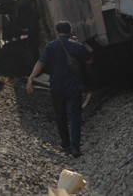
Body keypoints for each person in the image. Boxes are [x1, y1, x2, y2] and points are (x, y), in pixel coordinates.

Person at [26, 21, 92, 158]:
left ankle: (65, 144)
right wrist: (79, 43)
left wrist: (31, 78)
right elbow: (89, 60)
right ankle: (75, 148)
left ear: (56, 32)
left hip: (57, 87)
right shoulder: (77, 45)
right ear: (70, 31)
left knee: (60, 116)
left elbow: (41, 63)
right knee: (74, 117)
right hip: (74, 86)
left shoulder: (51, 46)